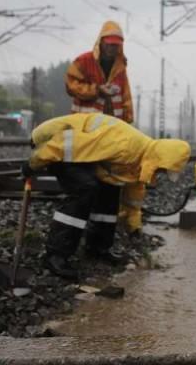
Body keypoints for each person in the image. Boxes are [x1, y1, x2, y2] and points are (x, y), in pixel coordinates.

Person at [21, 113, 190, 279]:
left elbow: (133, 197)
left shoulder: (142, 159)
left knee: (111, 189)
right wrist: (34, 162)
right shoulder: (124, 145)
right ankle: (55, 255)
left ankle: (98, 248)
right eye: (161, 169)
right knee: (85, 189)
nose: (160, 173)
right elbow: (66, 145)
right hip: (51, 138)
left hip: (76, 150)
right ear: (159, 159)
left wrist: (134, 227)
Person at [66, 20, 144, 236]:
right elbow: (71, 85)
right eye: (109, 44)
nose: (113, 48)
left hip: (111, 134)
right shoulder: (83, 61)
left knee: (110, 184)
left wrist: (128, 124)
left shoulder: (120, 68)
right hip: (86, 132)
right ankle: (88, 232)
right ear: (101, 42)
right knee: (89, 182)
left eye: (116, 45)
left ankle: (102, 239)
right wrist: (98, 90)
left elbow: (126, 95)